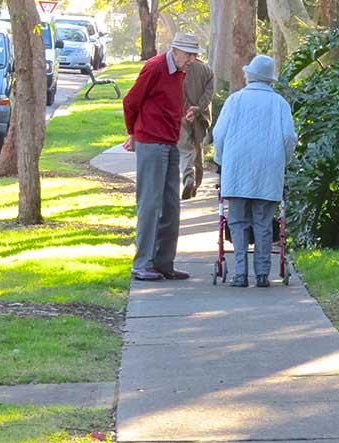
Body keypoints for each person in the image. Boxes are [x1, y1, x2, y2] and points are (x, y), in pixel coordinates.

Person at [123, 33, 204, 281]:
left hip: (170, 142)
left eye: (195, 55)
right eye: (189, 55)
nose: (192, 60)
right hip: (151, 141)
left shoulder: (180, 72)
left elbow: (166, 103)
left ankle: (163, 262)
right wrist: (132, 133)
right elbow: (131, 101)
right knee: (150, 204)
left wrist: (184, 113)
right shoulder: (155, 67)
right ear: (176, 51)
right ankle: (142, 264)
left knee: (171, 205)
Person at [212, 54, 297, 288]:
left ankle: (240, 274)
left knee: (238, 222)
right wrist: (282, 161)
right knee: (263, 222)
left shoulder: (234, 101)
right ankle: (262, 275)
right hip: (269, 171)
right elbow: (289, 138)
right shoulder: (280, 103)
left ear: (250, 75)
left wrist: (221, 160)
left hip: (236, 169)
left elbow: (218, 135)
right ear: (270, 79)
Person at [179, 57, 215, 200]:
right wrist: (198, 108)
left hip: (182, 114)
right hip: (201, 117)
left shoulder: (181, 67)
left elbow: (178, 91)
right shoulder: (206, 69)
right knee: (198, 148)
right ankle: (196, 185)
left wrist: (188, 109)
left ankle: (188, 178)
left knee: (185, 148)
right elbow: (209, 94)